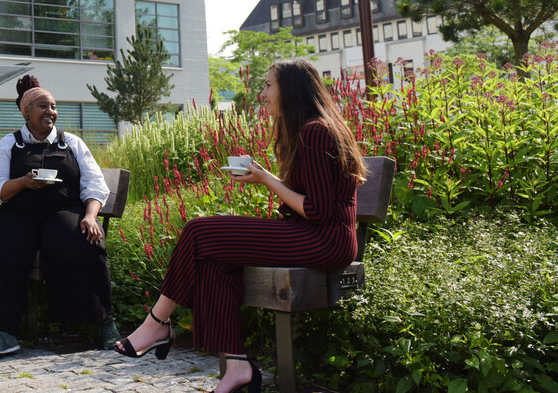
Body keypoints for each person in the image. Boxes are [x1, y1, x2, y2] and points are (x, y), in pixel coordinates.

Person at [112, 59, 367, 393]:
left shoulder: (315, 131)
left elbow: (317, 211)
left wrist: (265, 180)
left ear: (289, 89)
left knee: (197, 231)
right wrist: (264, 176)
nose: (262, 93)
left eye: (268, 85)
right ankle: (237, 367)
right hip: (315, 235)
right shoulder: (308, 129)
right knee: (215, 259)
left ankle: (157, 323)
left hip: (324, 240)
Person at [0, 74, 119, 358]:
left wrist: (90, 215)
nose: (50, 111)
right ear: (26, 111)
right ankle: (3, 332)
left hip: (63, 210)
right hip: (20, 211)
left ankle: (102, 322)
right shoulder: (9, 144)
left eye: (53, 106)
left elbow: (95, 184)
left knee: (85, 241)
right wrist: (22, 183)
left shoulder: (71, 143)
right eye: (42, 106)